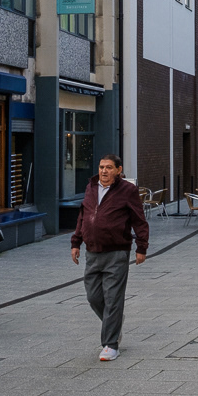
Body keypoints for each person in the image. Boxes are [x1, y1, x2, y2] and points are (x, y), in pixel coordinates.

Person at [71, 154, 149, 362]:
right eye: (101, 167)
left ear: (118, 170)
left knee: (114, 298)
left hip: (117, 252)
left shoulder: (128, 191)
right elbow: (83, 215)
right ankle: (114, 321)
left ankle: (110, 344)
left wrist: (141, 247)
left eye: (108, 168)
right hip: (93, 252)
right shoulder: (91, 188)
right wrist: (76, 242)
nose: (104, 171)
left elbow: (139, 220)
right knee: (93, 297)